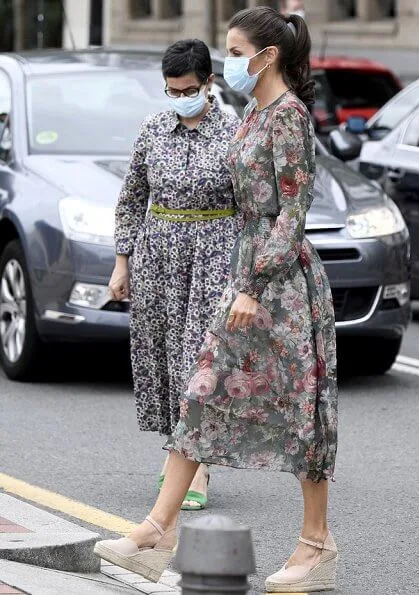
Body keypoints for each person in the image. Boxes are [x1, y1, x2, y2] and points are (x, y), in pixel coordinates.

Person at [95, 7, 338, 592]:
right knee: (200, 394)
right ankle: (157, 531)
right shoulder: (253, 113)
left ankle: (316, 545)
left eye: (233, 51)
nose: (227, 61)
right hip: (245, 278)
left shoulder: (288, 118)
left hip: (281, 288)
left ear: (266, 56)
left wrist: (252, 286)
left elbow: (292, 215)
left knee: (303, 413)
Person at [108, 39, 240, 511]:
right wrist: (122, 262)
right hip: (158, 254)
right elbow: (130, 197)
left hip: (212, 256)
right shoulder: (153, 129)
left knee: (198, 362)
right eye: (171, 89)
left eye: (188, 88)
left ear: (208, 84)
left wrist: (246, 276)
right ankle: (176, 447)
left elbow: (250, 207)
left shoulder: (234, 132)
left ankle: (198, 460)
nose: (180, 96)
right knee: (162, 358)